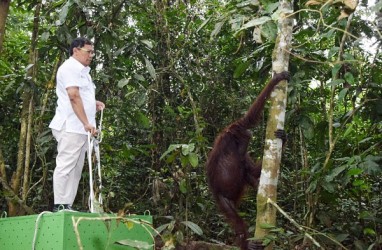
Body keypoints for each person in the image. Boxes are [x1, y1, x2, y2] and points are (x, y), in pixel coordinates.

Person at [49, 37, 105, 212]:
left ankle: (67, 205)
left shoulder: (83, 71)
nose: (91, 55)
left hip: (81, 129)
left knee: (76, 168)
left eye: (92, 52)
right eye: (88, 51)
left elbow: (80, 95)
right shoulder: (70, 67)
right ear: (76, 51)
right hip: (72, 126)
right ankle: (59, 204)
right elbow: (73, 96)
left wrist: (93, 103)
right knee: (66, 165)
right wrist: (86, 122)